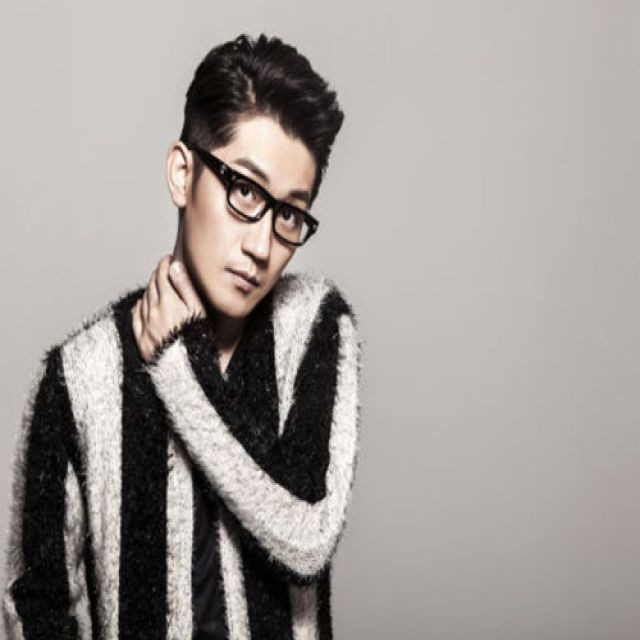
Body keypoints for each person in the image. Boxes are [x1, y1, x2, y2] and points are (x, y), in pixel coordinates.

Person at [2, 33, 363, 639]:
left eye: (288, 213)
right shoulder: (79, 376)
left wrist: (178, 363)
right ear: (182, 173)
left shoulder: (313, 328)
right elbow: (36, 603)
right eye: (244, 191)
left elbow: (306, 534)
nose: (261, 245)